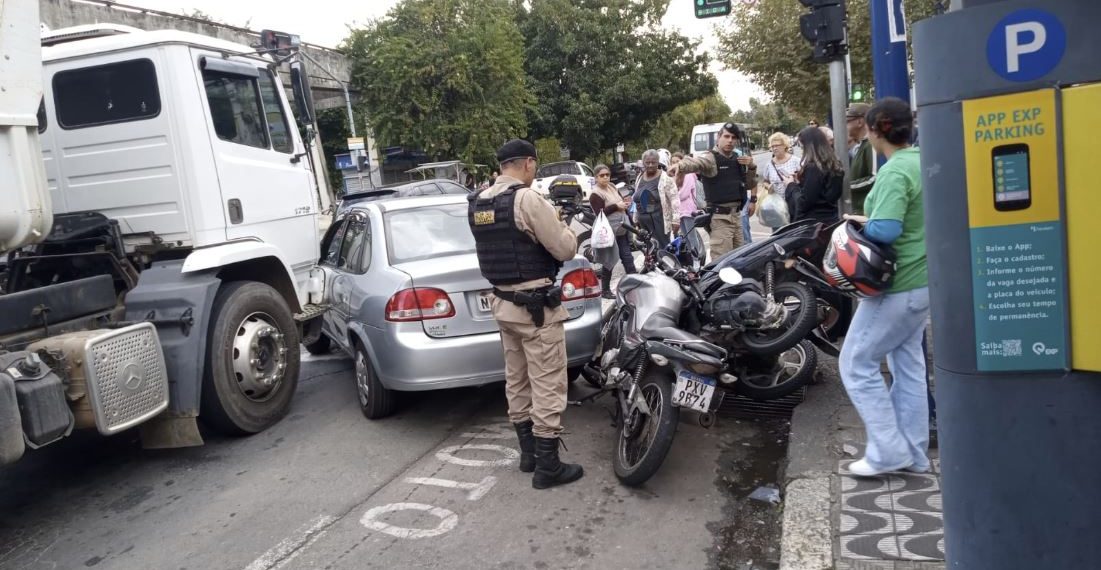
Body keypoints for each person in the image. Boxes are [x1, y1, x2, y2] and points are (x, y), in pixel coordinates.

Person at [467, 139, 584, 490]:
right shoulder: (527, 198)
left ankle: (529, 454)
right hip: (535, 309)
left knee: (516, 379)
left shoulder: (478, 202)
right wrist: (569, 228)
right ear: (529, 164)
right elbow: (563, 248)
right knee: (548, 381)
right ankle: (548, 467)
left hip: (503, 305)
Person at [838, 97, 930, 477]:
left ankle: (888, 451)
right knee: (908, 363)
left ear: (875, 131)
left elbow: (888, 229)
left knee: (856, 362)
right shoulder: (921, 160)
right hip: (924, 281)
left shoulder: (894, 172)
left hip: (898, 283)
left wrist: (863, 223)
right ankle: (914, 452)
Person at [667, 122, 758, 257]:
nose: (730, 140)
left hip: (737, 217)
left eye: (733, 137)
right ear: (718, 138)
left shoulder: (738, 158)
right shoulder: (711, 158)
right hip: (720, 219)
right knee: (722, 263)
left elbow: (749, 185)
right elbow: (696, 162)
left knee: (740, 260)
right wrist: (679, 166)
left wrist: (751, 166)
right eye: (726, 136)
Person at [589, 164, 636, 299]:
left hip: (622, 228)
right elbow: (599, 213)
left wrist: (631, 220)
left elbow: (622, 203)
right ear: (596, 177)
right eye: (601, 175)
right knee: (608, 262)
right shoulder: (595, 194)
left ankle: (635, 284)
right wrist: (616, 206)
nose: (605, 177)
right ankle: (605, 290)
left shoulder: (613, 187)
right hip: (608, 232)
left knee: (627, 258)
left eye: (607, 175)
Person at [784, 126, 843, 224]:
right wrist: (802, 182)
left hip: (814, 225)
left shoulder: (814, 168)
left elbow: (804, 203)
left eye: (803, 147)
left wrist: (791, 185)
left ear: (809, 147)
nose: (802, 151)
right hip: (831, 219)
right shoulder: (834, 164)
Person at [631, 149, 680, 249]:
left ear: (658, 162)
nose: (650, 165)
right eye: (647, 162)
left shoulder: (665, 178)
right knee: (648, 250)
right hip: (643, 223)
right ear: (643, 163)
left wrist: (676, 220)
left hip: (659, 221)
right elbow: (637, 199)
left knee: (663, 249)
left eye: (653, 162)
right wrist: (635, 218)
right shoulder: (639, 177)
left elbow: (674, 199)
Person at [761, 132, 801, 230]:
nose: (774, 148)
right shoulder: (769, 164)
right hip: (777, 206)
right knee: (778, 234)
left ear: (784, 146)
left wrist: (796, 180)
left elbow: (804, 180)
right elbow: (765, 181)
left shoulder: (796, 161)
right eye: (772, 146)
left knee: (794, 232)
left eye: (777, 145)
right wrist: (768, 187)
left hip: (794, 204)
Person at [846, 103, 877, 215]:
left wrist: (847, 186)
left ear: (860, 122)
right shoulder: (862, 145)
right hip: (861, 209)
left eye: (847, 122)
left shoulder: (870, 144)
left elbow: (874, 178)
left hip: (866, 211)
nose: (845, 126)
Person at [671, 152, 701, 230]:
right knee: (685, 238)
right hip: (680, 211)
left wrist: (673, 196)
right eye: (673, 162)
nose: (675, 164)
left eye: (677, 162)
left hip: (688, 211)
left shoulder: (688, 175)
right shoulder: (674, 176)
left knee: (692, 238)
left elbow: (683, 194)